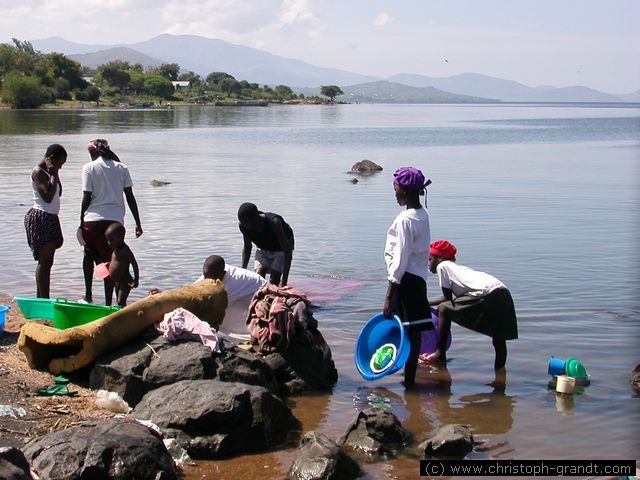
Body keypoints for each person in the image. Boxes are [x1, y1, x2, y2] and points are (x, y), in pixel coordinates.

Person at [427, 240, 518, 387]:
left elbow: (446, 298)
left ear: (439, 258)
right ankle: (500, 379)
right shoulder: (456, 268)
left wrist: (424, 303)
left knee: (444, 309)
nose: (428, 264)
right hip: (503, 293)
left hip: (486, 293)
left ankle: (440, 354)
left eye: (430, 259)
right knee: (499, 338)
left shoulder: (443, 266)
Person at [383, 166, 432, 387]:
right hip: (418, 280)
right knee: (414, 332)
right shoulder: (422, 214)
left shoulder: (405, 220)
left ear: (406, 191)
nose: (394, 194)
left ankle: (407, 382)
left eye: (396, 189)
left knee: (400, 330)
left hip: (405, 281)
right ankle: (409, 381)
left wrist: (389, 295)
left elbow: (401, 259)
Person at [80, 139, 142, 305]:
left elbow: (86, 196)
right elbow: (130, 196)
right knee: (110, 261)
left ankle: (88, 296)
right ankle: (108, 304)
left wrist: (80, 220)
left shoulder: (88, 168)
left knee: (88, 254)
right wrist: (138, 222)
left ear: (95, 153)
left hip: (92, 221)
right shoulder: (122, 168)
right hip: (114, 224)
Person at [24, 144, 67, 298]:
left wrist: (54, 173)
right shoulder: (38, 172)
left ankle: (40, 298)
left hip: (50, 216)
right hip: (41, 216)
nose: (60, 167)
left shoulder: (49, 173)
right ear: (51, 158)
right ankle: (43, 299)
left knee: (48, 262)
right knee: (44, 262)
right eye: (60, 163)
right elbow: (48, 197)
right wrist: (54, 173)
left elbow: (58, 192)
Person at [195, 255, 267, 338]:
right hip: (243, 295)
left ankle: (249, 335)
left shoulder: (233, 283)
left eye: (212, 279)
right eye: (206, 278)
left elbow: (213, 308)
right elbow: (192, 292)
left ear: (223, 273)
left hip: (258, 296)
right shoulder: (211, 273)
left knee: (215, 311)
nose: (208, 282)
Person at [238, 203, 294, 286]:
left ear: (256, 217)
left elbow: (287, 251)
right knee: (258, 279)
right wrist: (243, 271)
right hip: (263, 248)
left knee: (274, 281)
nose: (247, 227)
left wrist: (284, 281)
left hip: (281, 250)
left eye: (248, 224)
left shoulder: (274, 222)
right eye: (244, 224)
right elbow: (247, 247)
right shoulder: (243, 226)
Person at [104, 222, 139, 307]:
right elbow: (117, 262)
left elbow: (134, 263)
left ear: (121, 238)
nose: (109, 243)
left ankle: (127, 316)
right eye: (108, 240)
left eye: (111, 240)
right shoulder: (116, 249)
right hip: (117, 281)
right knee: (119, 302)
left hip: (125, 281)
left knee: (120, 302)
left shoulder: (125, 250)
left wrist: (136, 279)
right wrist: (109, 264)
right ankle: (123, 316)